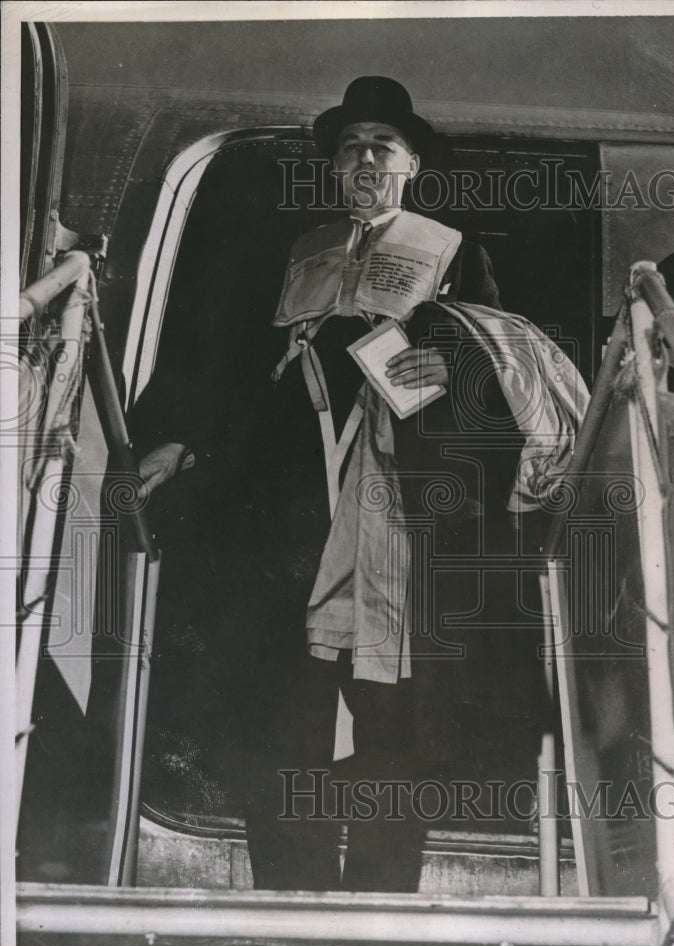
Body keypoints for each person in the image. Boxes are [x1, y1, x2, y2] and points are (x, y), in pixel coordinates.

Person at [134, 77, 588, 892]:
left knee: (392, 714)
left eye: (382, 144)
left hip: (399, 509)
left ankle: (381, 896)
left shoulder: (454, 251)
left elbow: (503, 371)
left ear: (411, 163)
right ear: (336, 169)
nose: (365, 157)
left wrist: (452, 366)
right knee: (281, 705)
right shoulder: (295, 252)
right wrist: (177, 440)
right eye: (350, 146)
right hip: (287, 507)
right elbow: (235, 371)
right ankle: (289, 890)